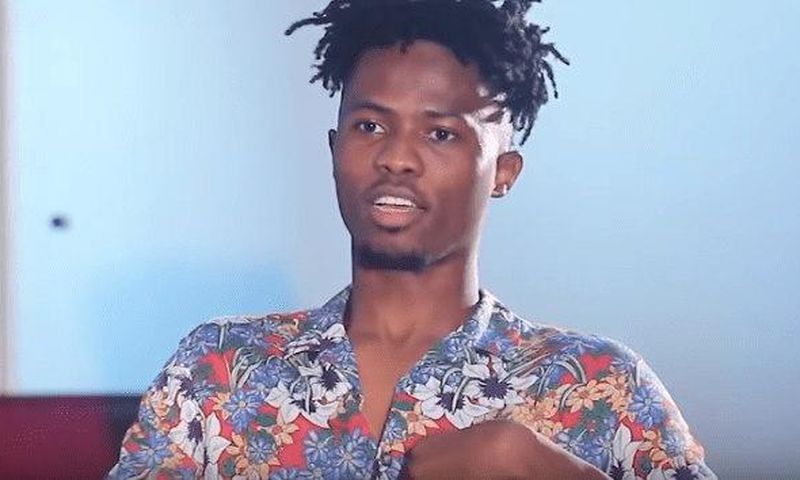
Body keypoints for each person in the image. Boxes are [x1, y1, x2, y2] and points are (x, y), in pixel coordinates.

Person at [109, 1, 716, 478]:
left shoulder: (599, 386)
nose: (396, 158)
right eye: (370, 125)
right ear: (335, 150)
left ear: (503, 173)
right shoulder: (218, 370)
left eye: (441, 134)